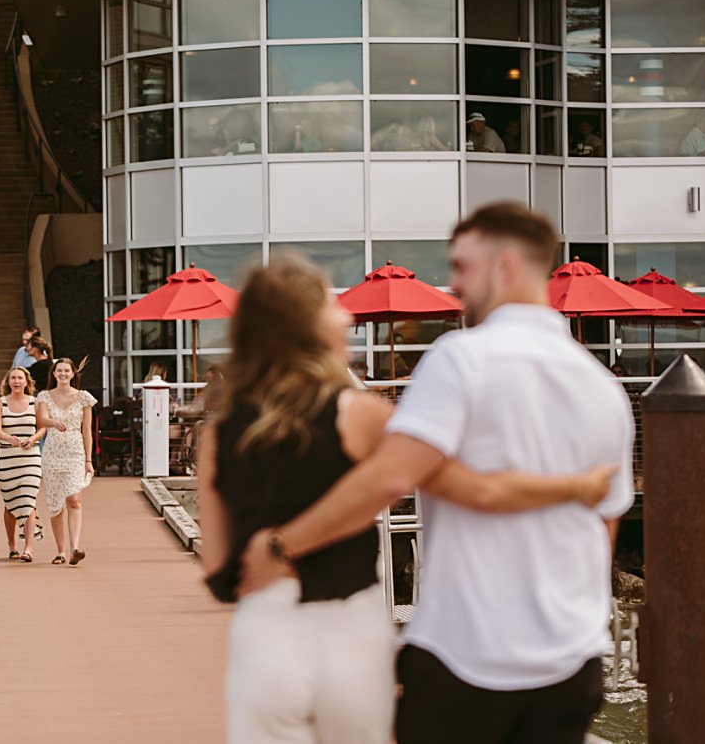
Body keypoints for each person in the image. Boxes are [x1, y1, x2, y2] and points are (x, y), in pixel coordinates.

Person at [237, 203, 634, 744]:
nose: (453, 285)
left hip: (468, 654)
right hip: (572, 662)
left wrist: (283, 546)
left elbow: (389, 478)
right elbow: (603, 528)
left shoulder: (460, 358)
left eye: (463, 267)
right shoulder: (603, 387)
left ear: (508, 266)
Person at [36, 357, 96, 565]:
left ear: (72, 374)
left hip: (75, 452)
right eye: (59, 371)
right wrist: (53, 422)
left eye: (66, 371)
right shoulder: (44, 396)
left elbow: (87, 431)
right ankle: (60, 550)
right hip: (52, 453)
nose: (62, 374)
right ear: (53, 374)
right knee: (55, 504)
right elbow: (41, 419)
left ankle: (75, 548)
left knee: (73, 498)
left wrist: (88, 460)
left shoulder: (84, 398)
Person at [0, 366, 46, 561]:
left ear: (27, 381)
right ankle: (12, 545)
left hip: (30, 457)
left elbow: (42, 429)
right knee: (10, 504)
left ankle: (29, 549)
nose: (16, 381)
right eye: (13, 378)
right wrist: (8, 437)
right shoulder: (0, 403)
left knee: (29, 500)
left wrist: (33, 439)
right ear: (8, 381)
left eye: (20, 378)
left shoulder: (36, 403)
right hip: (8, 458)